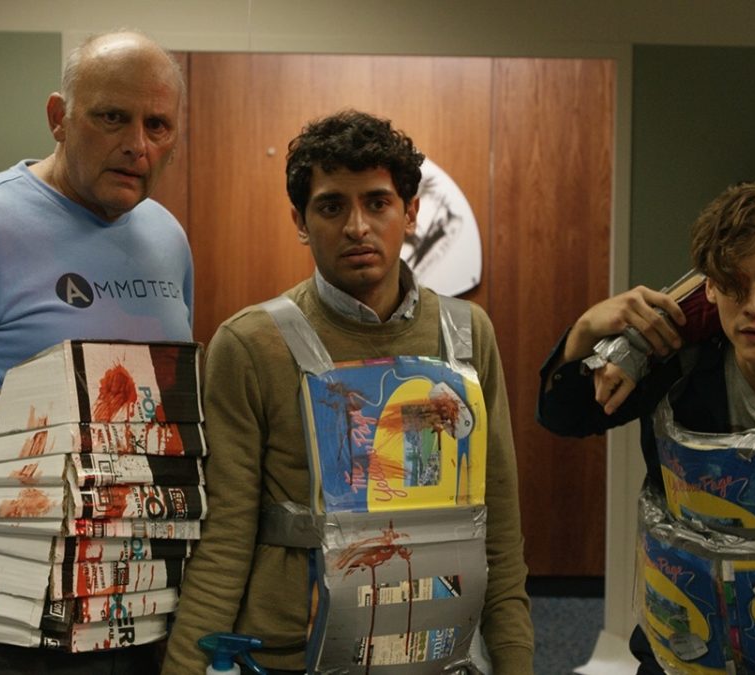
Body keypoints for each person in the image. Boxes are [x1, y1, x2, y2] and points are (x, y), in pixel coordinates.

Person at [163, 110, 533, 674]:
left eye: (378, 203)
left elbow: (499, 526)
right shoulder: (251, 345)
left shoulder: (465, 335)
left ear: (410, 212)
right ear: (301, 220)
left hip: (434, 644)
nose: (357, 226)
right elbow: (225, 536)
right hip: (291, 651)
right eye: (332, 206)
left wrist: (515, 661)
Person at [537, 181, 755, 674]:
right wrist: (585, 329)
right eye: (734, 284)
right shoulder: (678, 367)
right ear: (709, 287)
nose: (753, 305)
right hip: (677, 648)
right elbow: (565, 416)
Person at [0, 30, 192, 674]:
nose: (137, 144)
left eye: (158, 125)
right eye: (112, 117)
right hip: (4, 632)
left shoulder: (168, 238)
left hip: (138, 623)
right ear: (59, 118)